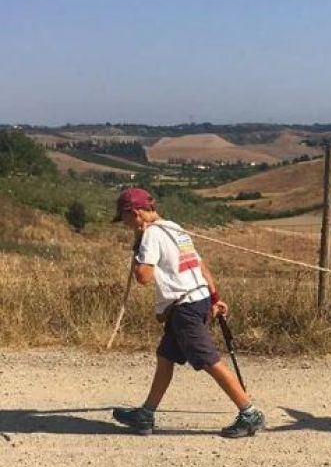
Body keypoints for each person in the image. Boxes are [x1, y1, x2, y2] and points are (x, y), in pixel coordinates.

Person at [110, 187, 265, 438]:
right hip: (197, 299)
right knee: (166, 357)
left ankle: (249, 413)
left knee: (209, 360)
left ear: (136, 213)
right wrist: (215, 298)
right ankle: (146, 414)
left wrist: (138, 244)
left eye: (125, 219)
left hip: (185, 308)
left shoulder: (150, 235)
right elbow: (199, 265)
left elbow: (144, 278)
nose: (125, 225)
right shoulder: (175, 227)